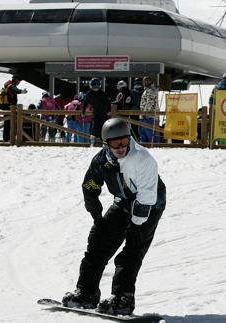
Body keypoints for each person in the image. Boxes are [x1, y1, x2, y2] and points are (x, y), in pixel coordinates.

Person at [62, 118, 166, 316]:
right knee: (98, 244)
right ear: (106, 144)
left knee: (131, 253)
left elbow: (147, 196)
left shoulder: (142, 158)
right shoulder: (101, 160)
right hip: (123, 202)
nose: (120, 147)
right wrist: (96, 215)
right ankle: (86, 293)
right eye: (115, 143)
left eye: (124, 142)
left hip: (150, 205)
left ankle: (122, 299)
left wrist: (136, 226)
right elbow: (90, 185)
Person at [0, 75, 27, 141]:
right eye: (19, 80)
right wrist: (22, 91)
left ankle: (7, 139)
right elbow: (15, 90)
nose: (19, 82)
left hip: (8, 108)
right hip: (10, 108)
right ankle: (8, 139)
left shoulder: (8, 85)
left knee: (8, 123)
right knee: (9, 124)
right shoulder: (11, 85)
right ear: (15, 80)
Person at [209, 73, 226, 145]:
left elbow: (211, 99)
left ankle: (213, 143)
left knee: (216, 127)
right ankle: (223, 144)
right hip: (225, 110)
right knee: (224, 127)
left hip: (216, 110)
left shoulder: (216, 87)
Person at [83, 78, 110, 143]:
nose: (95, 86)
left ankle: (103, 141)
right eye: (94, 85)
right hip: (95, 113)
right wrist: (83, 111)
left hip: (103, 113)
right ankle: (95, 142)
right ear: (91, 85)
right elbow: (85, 102)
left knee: (103, 127)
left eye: (97, 85)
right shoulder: (89, 94)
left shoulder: (102, 93)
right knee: (94, 127)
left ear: (99, 85)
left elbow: (107, 102)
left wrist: (109, 110)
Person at [138, 76, 160, 143]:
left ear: (151, 81)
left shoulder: (151, 90)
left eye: (147, 80)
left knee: (151, 135)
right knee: (143, 134)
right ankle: (144, 147)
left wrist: (145, 113)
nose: (145, 82)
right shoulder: (146, 90)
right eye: (144, 81)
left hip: (150, 117)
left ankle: (155, 148)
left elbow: (149, 103)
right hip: (144, 117)